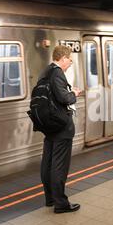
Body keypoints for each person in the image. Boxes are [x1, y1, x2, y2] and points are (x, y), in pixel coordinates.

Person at [39, 45, 82, 213]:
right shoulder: (57, 74)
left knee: (48, 163)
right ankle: (61, 203)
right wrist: (75, 94)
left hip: (49, 125)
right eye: (70, 59)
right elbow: (64, 98)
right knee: (59, 165)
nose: (70, 63)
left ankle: (50, 198)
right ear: (63, 59)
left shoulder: (46, 71)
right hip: (60, 126)